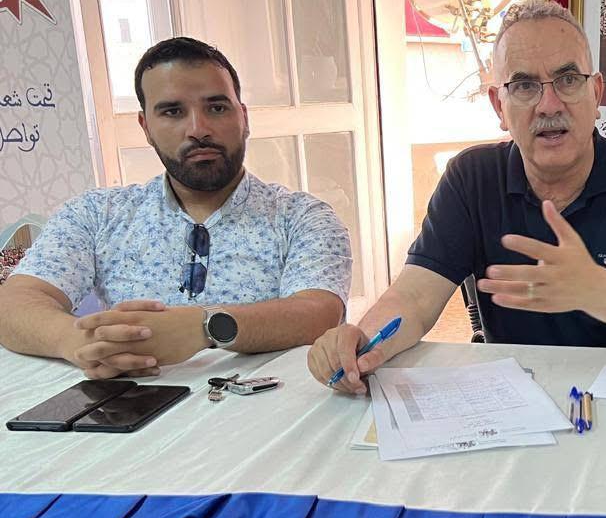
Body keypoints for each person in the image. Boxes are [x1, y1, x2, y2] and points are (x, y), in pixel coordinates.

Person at [308, 0, 606, 395]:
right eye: (524, 86)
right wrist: (362, 345)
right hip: (515, 404)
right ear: (499, 106)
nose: (549, 105)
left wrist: (596, 290)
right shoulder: (471, 179)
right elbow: (413, 298)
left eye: (568, 80)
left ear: (597, 93)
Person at [0, 36, 352, 379]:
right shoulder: (96, 214)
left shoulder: (302, 218)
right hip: (133, 408)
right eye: (172, 112)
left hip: (267, 408)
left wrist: (206, 327)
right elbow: (14, 304)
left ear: (243, 117)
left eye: (217, 108)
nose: (198, 129)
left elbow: (318, 313)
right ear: (146, 127)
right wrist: (77, 341)